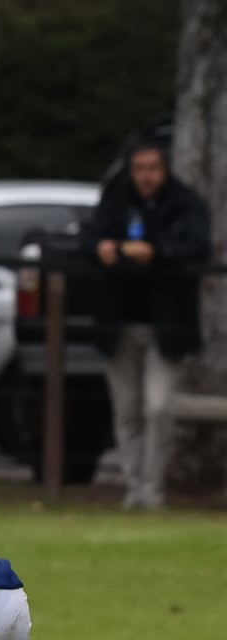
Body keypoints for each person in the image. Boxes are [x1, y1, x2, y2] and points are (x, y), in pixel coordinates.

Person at [89, 138, 212, 509]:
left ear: (165, 169)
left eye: (152, 168)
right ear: (131, 170)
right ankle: (134, 489)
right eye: (139, 169)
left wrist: (156, 254)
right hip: (119, 322)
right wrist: (102, 249)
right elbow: (91, 236)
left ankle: (154, 490)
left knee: (158, 407)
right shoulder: (117, 199)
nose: (145, 176)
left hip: (167, 325)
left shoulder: (184, 202)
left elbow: (197, 247)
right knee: (127, 410)